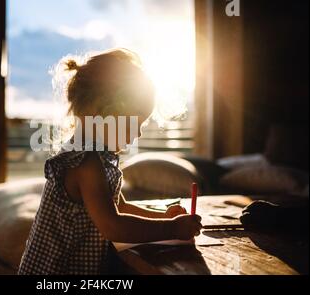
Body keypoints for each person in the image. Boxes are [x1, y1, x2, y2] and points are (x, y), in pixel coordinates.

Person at [18, 48, 202, 275]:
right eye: (134, 124)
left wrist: (162, 215)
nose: (138, 134)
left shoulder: (93, 157)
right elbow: (112, 226)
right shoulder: (86, 163)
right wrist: (172, 228)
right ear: (100, 113)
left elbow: (120, 208)